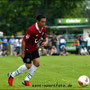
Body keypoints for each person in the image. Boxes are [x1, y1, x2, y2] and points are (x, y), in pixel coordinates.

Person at [8, 15, 48, 86]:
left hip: (34, 48)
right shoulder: (32, 29)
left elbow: (45, 37)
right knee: (28, 66)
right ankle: (12, 75)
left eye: (44, 22)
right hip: (28, 49)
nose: (44, 23)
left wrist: (46, 42)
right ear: (37, 21)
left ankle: (26, 80)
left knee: (37, 63)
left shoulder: (43, 28)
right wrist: (22, 53)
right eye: (42, 22)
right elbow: (24, 41)